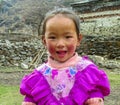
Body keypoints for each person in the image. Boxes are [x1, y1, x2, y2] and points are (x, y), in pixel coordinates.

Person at [20, 7, 110, 105]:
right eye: (53, 37)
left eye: (67, 37)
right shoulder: (39, 75)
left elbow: (94, 89)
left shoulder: (86, 70)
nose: (60, 44)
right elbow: (31, 96)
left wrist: (95, 98)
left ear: (78, 39)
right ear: (44, 41)